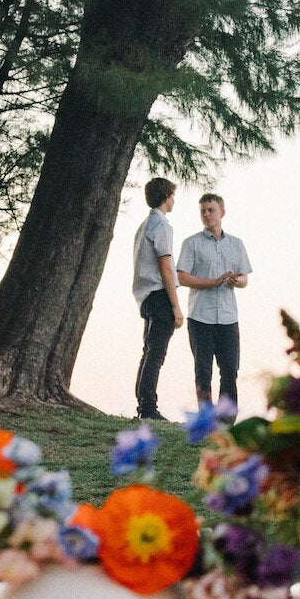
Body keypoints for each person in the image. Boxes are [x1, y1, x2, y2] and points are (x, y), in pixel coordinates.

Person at [175, 193, 253, 412]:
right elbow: (181, 276)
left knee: (229, 371)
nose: (207, 215)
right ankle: (206, 421)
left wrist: (238, 280)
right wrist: (213, 282)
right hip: (201, 316)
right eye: (203, 211)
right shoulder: (191, 243)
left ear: (222, 213)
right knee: (203, 371)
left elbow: (245, 278)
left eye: (211, 210)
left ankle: (227, 422)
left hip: (228, 317)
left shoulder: (236, 244)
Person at [130, 177, 184, 421]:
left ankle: (143, 402)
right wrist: (176, 306)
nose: (174, 200)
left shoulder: (143, 226)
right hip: (160, 295)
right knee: (156, 353)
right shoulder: (161, 225)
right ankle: (148, 407)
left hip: (145, 296)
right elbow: (165, 266)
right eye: (172, 195)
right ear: (166, 197)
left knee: (149, 350)